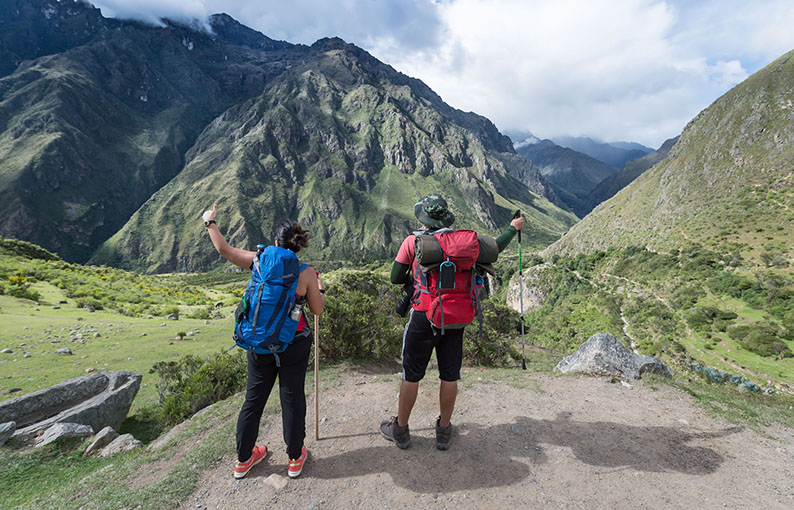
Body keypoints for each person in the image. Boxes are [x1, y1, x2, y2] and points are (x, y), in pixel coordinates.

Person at [380, 193, 523, 450]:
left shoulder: (412, 242)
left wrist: (414, 278)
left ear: (423, 218)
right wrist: (513, 229)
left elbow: (395, 277)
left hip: (423, 315)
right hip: (455, 316)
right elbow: (496, 247)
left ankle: (400, 429)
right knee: (449, 375)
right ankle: (444, 430)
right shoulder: (467, 244)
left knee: (411, 375)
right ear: (446, 217)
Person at [202, 204, 325, 479]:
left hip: (258, 341)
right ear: (297, 245)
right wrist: (319, 288)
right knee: (291, 397)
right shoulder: (305, 272)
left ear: (275, 242)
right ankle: (295, 458)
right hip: (293, 343)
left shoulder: (257, 260)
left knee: (254, 399)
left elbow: (224, 249)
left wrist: (210, 222)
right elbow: (317, 310)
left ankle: (243, 460)